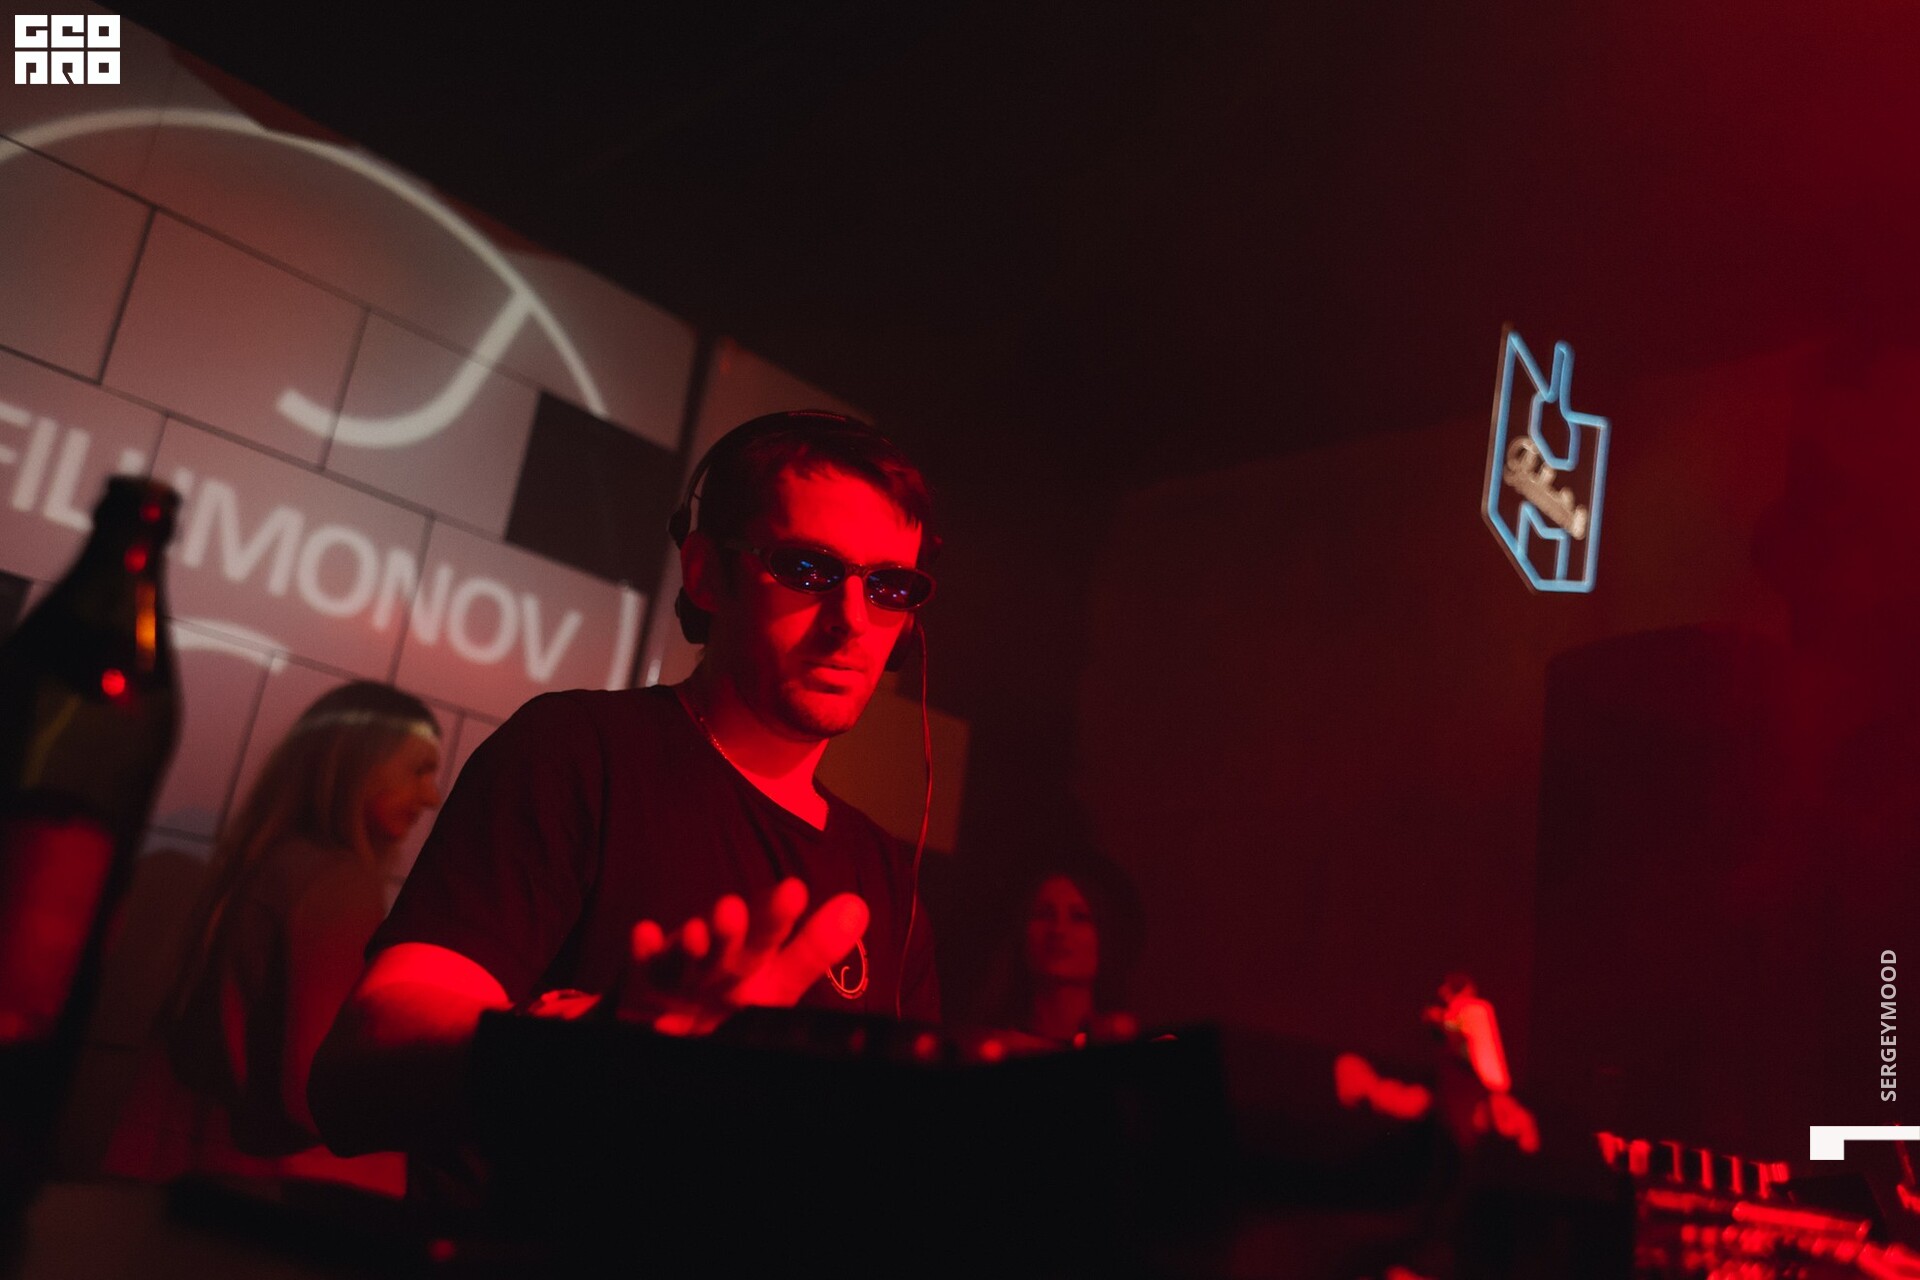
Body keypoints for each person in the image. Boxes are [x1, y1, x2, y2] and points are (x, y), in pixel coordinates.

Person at [309, 411, 941, 1161]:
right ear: (705, 574)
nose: (853, 620)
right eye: (808, 570)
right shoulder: (577, 752)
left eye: (889, 587)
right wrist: (591, 1049)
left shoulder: (885, 876)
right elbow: (362, 1059)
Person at [149, 681, 443, 1196]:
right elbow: (314, 1092)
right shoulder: (337, 882)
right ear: (357, 762)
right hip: (275, 1195)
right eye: (418, 770)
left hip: (195, 1169)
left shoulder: (268, 861)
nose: (431, 797)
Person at [985, 856, 1141, 1052]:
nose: (1058, 930)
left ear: (1106, 936)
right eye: (1044, 914)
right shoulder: (991, 1049)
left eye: (1079, 917)